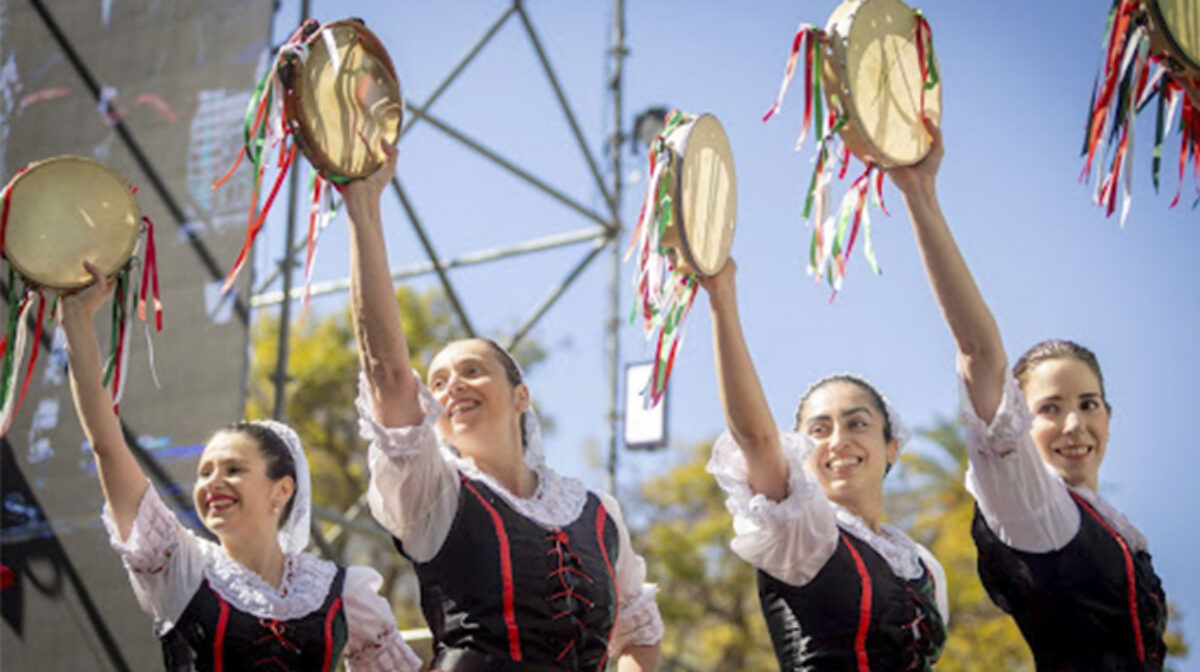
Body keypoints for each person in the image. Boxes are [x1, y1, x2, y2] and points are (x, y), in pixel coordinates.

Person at [344, 142, 663, 671]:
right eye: (439, 380)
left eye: (472, 370)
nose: (451, 388)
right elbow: (390, 377)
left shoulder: (599, 514)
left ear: (521, 396)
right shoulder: (436, 493)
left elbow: (637, 633)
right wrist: (363, 206)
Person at [893, 121, 1168, 670]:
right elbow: (980, 354)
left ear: (1109, 417)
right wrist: (920, 195)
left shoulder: (1112, 527)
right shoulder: (1032, 510)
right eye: (1049, 409)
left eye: (1087, 404)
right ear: (1021, 422)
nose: (1073, 425)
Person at [62, 264, 421, 672]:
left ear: (281, 490)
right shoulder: (181, 566)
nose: (212, 482)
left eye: (233, 469)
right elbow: (107, 445)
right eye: (204, 472)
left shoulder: (343, 593)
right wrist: (75, 320)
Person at [700, 259, 948, 671]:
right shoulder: (804, 534)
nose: (838, 440)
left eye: (857, 423)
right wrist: (721, 299)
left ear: (892, 446)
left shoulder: (924, 567)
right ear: (799, 453)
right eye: (819, 430)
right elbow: (757, 439)